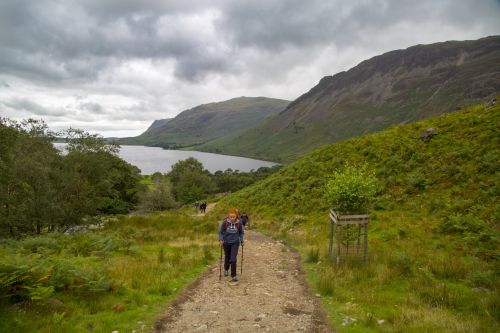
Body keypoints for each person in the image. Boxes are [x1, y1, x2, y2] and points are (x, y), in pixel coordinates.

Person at [219, 209, 244, 282]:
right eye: (231, 216)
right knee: (227, 257)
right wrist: (221, 240)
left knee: (233, 259)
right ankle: (226, 269)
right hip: (226, 242)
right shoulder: (225, 222)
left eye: (234, 216)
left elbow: (241, 233)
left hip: (235, 243)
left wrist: (242, 240)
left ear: (236, 216)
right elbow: (220, 232)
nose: (232, 218)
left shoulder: (239, 223)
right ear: (229, 216)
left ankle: (234, 275)